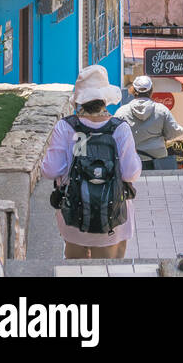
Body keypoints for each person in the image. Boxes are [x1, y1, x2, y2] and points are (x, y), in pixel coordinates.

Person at [40, 64, 141, 261]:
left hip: (74, 218)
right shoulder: (119, 129)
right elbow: (131, 173)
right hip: (113, 219)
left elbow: (50, 170)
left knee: (76, 270)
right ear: (104, 98)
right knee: (109, 271)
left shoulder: (67, 127)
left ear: (80, 100)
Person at [115, 75, 183, 170]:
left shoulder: (121, 112)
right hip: (158, 162)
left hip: (130, 162)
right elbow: (174, 131)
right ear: (151, 91)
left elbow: (115, 136)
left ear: (133, 91)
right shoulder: (161, 110)